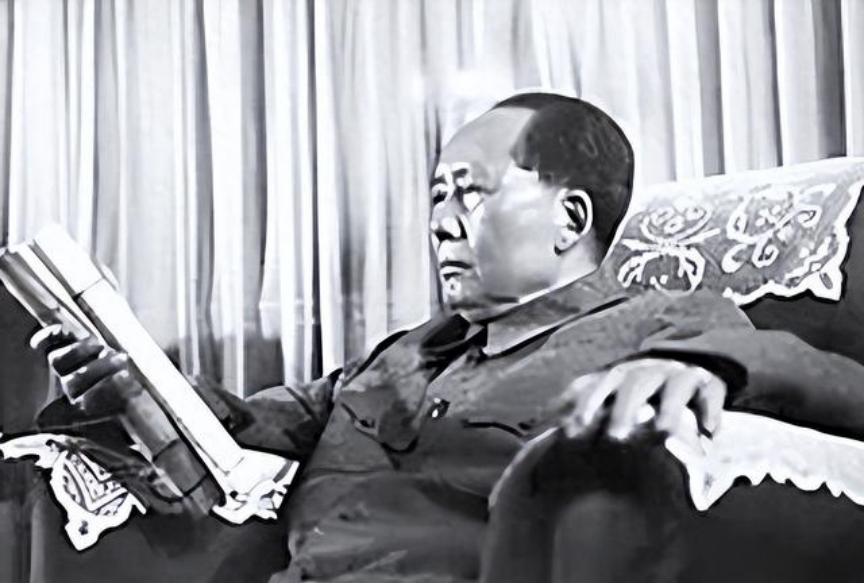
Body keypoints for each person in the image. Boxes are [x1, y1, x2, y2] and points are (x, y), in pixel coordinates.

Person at [32, 93, 864, 581]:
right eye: (436, 196)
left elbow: (831, 383)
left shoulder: (656, 324)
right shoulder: (393, 358)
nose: (440, 222)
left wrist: (705, 366)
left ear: (571, 217)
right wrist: (136, 390)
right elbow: (247, 426)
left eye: (470, 193)